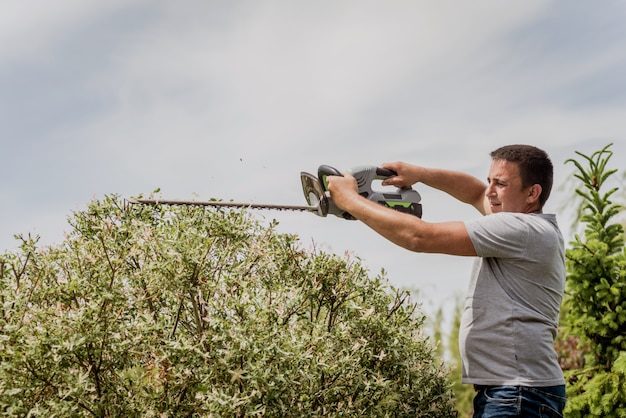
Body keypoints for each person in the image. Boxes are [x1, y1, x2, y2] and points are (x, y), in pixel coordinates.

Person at [326, 144, 566, 417]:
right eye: (490, 181)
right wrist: (422, 174)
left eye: (500, 184)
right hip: (514, 390)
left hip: (518, 393)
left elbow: (420, 238)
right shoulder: (524, 224)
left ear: (532, 193)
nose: (490, 191)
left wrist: (350, 200)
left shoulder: (521, 229)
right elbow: (474, 191)